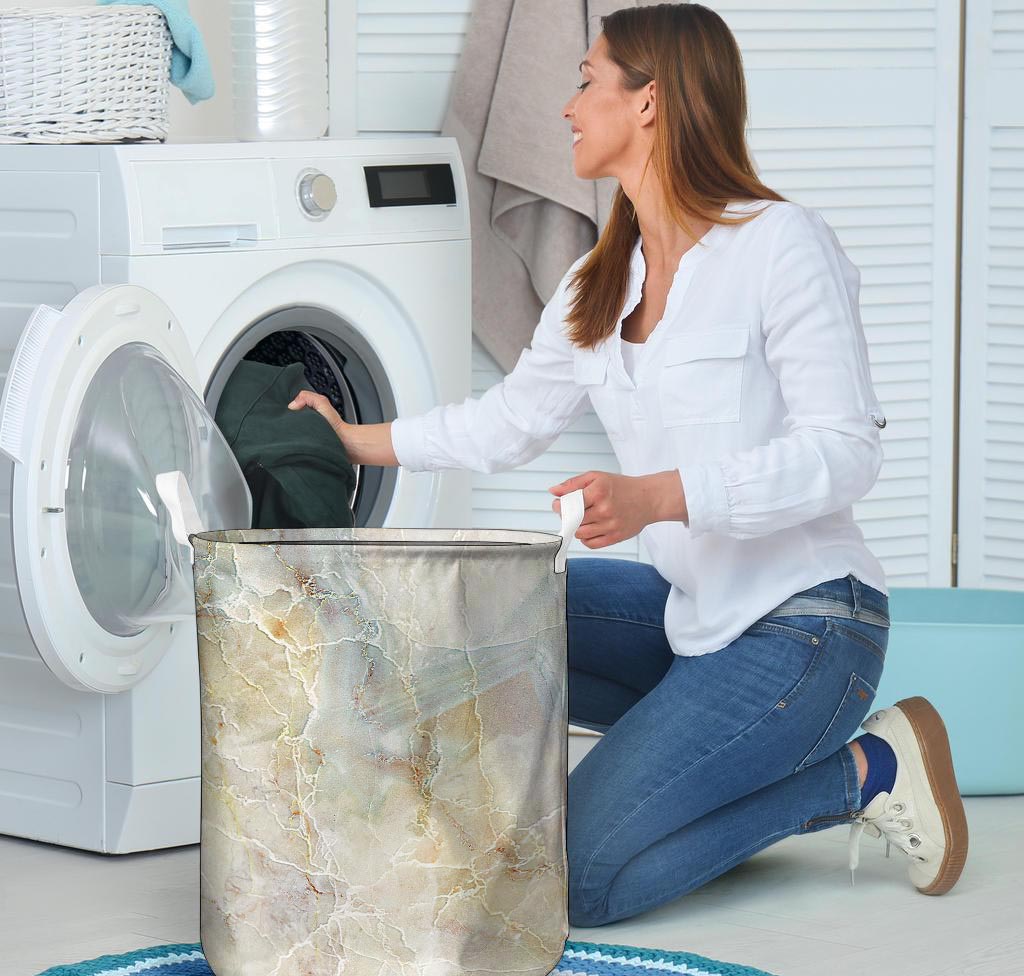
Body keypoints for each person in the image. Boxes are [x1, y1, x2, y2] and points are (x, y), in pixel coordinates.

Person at [287, 2, 968, 928]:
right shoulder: (597, 282)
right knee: (477, 605)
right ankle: (614, 781)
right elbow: (509, 423)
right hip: (695, 621)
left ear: (648, 102)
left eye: (585, 82)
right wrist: (360, 438)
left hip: (809, 627)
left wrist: (661, 498)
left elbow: (846, 453)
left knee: (580, 881)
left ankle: (864, 773)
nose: (566, 107)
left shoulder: (778, 244)